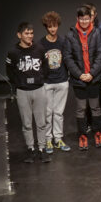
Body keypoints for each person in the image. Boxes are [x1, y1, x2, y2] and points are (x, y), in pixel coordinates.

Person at [6, 22, 50, 163]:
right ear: (19, 35)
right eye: (26, 33)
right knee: (26, 123)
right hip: (23, 91)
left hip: (38, 89)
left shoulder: (40, 49)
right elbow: (9, 71)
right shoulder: (13, 52)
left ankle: (42, 149)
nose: (30, 36)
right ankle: (31, 149)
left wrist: (40, 79)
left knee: (41, 122)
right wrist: (19, 83)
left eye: (31, 33)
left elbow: (46, 67)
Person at [64, 5, 101, 150]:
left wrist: (92, 74)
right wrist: (79, 74)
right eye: (81, 19)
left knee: (95, 107)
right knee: (81, 108)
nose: (84, 21)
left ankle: (98, 133)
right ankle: (82, 135)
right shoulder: (71, 35)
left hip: (93, 79)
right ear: (78, 19)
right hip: (78, 80)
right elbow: (68, 58)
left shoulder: (97, 33)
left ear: (91, 18)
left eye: (87, 18)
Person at [40, 11, 71, 154]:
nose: (52, 29)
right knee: (47, 112)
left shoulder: (63, 41)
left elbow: (68, 59)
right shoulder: (41, 44)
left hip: (62, 80)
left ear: (58, 25)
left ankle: (58, 138)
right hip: (47, 82)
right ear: (46, 27)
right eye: (49, 26)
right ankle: (48, 139)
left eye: (55, 26)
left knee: (58, 112)